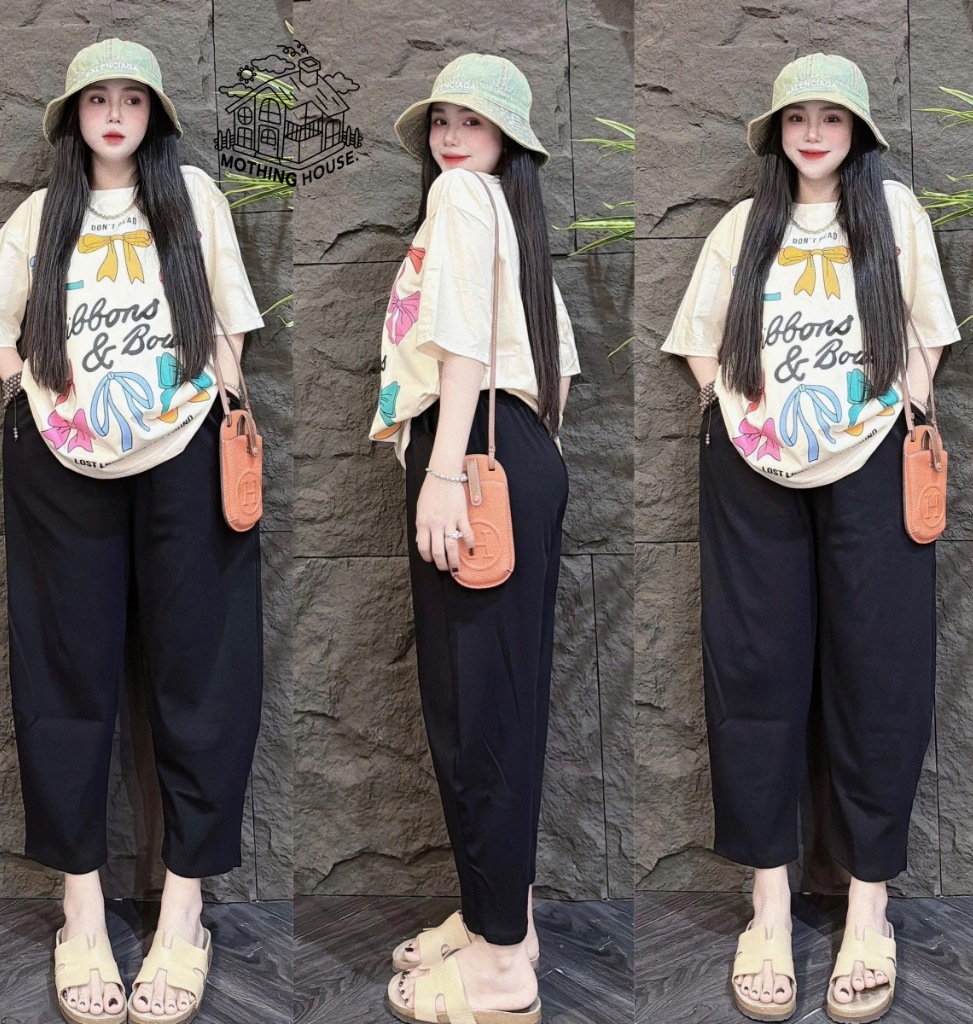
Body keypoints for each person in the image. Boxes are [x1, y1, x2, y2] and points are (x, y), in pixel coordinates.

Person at [0, 39, 264, 1024]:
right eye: (100, 100)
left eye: (134, 99)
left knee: (201, 676)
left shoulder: (194, 201)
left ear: (156, 116)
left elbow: (231, 325)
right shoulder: (42, 214)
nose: (117, 114)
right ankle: (80, 909)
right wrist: (32, 396)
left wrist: (227, 413)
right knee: (65, 676)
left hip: (187, 457)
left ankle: (184, 912)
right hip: (61, 470)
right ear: (75, 118)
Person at [662, 52, 958, 1023]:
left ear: (858, 132)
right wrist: (734, 411)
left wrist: (900, 415)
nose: (815, 132)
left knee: (880, 673)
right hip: (752, 474)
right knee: (754, 673)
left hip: (875, 464)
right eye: (799, 117)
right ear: (777, 132)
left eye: (833, 117)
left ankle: (869, 909)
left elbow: (928, 335)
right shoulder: (744, 226)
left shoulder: (895, 215)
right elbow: (698, 338)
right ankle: (768, 906)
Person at [368, 53, 581, 1024]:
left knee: (474, 714)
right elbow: (559, 371)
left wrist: (445, 469)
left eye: (474, 122)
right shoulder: (509, 216)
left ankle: (498, 972)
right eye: (443, 121)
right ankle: (505, 922)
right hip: (518, 452)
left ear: (507, 142)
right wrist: (517, 460)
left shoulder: (460, 200)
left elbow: (458, 345)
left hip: (475, 453)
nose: (453, 137)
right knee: (500, 706)